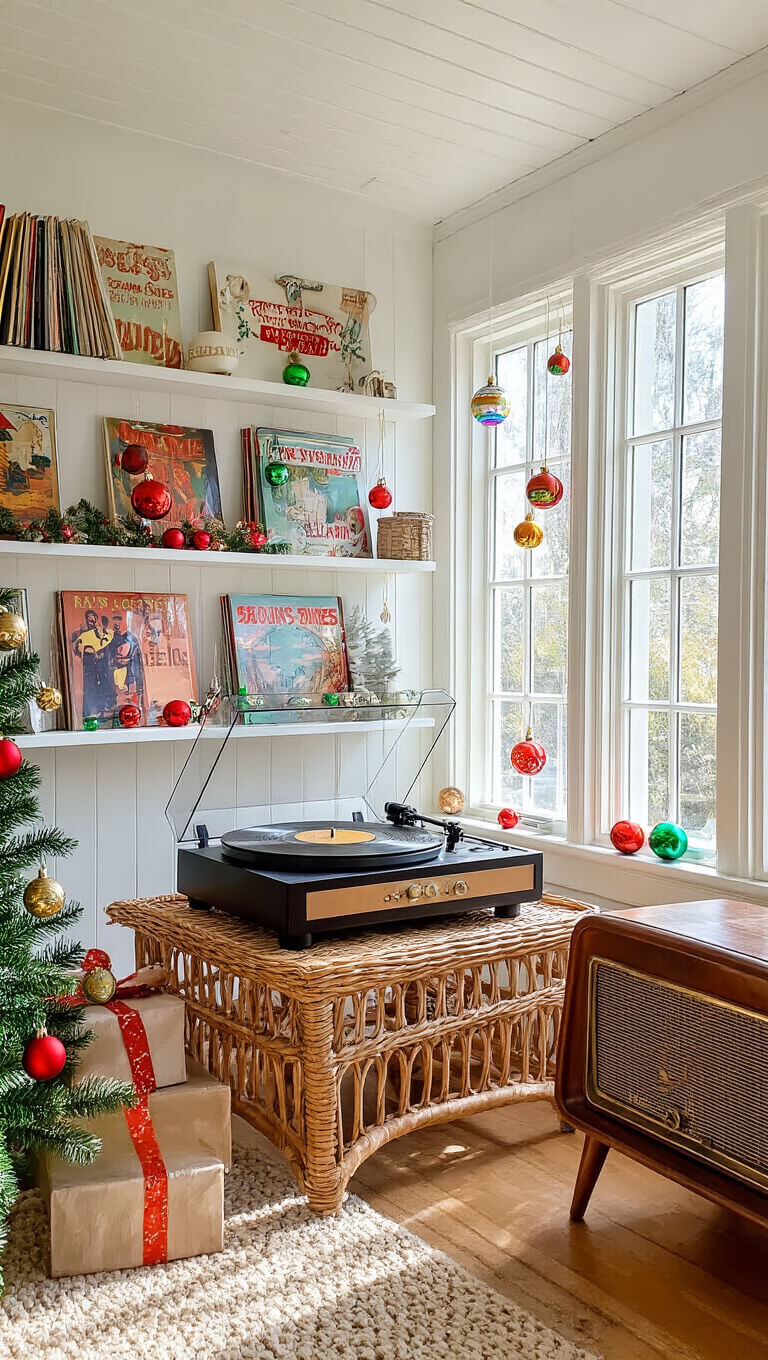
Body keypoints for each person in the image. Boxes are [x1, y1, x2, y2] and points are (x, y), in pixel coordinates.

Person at [72, 610, 115, 720]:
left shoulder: (107, 633)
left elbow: (106, 643)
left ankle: (105, 708)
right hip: (89, 665)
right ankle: (92, 711)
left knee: (105, 685)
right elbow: (78, 647)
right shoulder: (84, 635)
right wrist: (88, 650)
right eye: (89, 620)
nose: (92, 622)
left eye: (94, 619)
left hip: (103, 665)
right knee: (91, 687)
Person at [108, 612, 145, 711]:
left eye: (119, 623)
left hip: (129, 672)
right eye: (115, 623)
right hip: (116, 672)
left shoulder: (130, 637)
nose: (117, 625)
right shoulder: (111, 637)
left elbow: (135, 662)